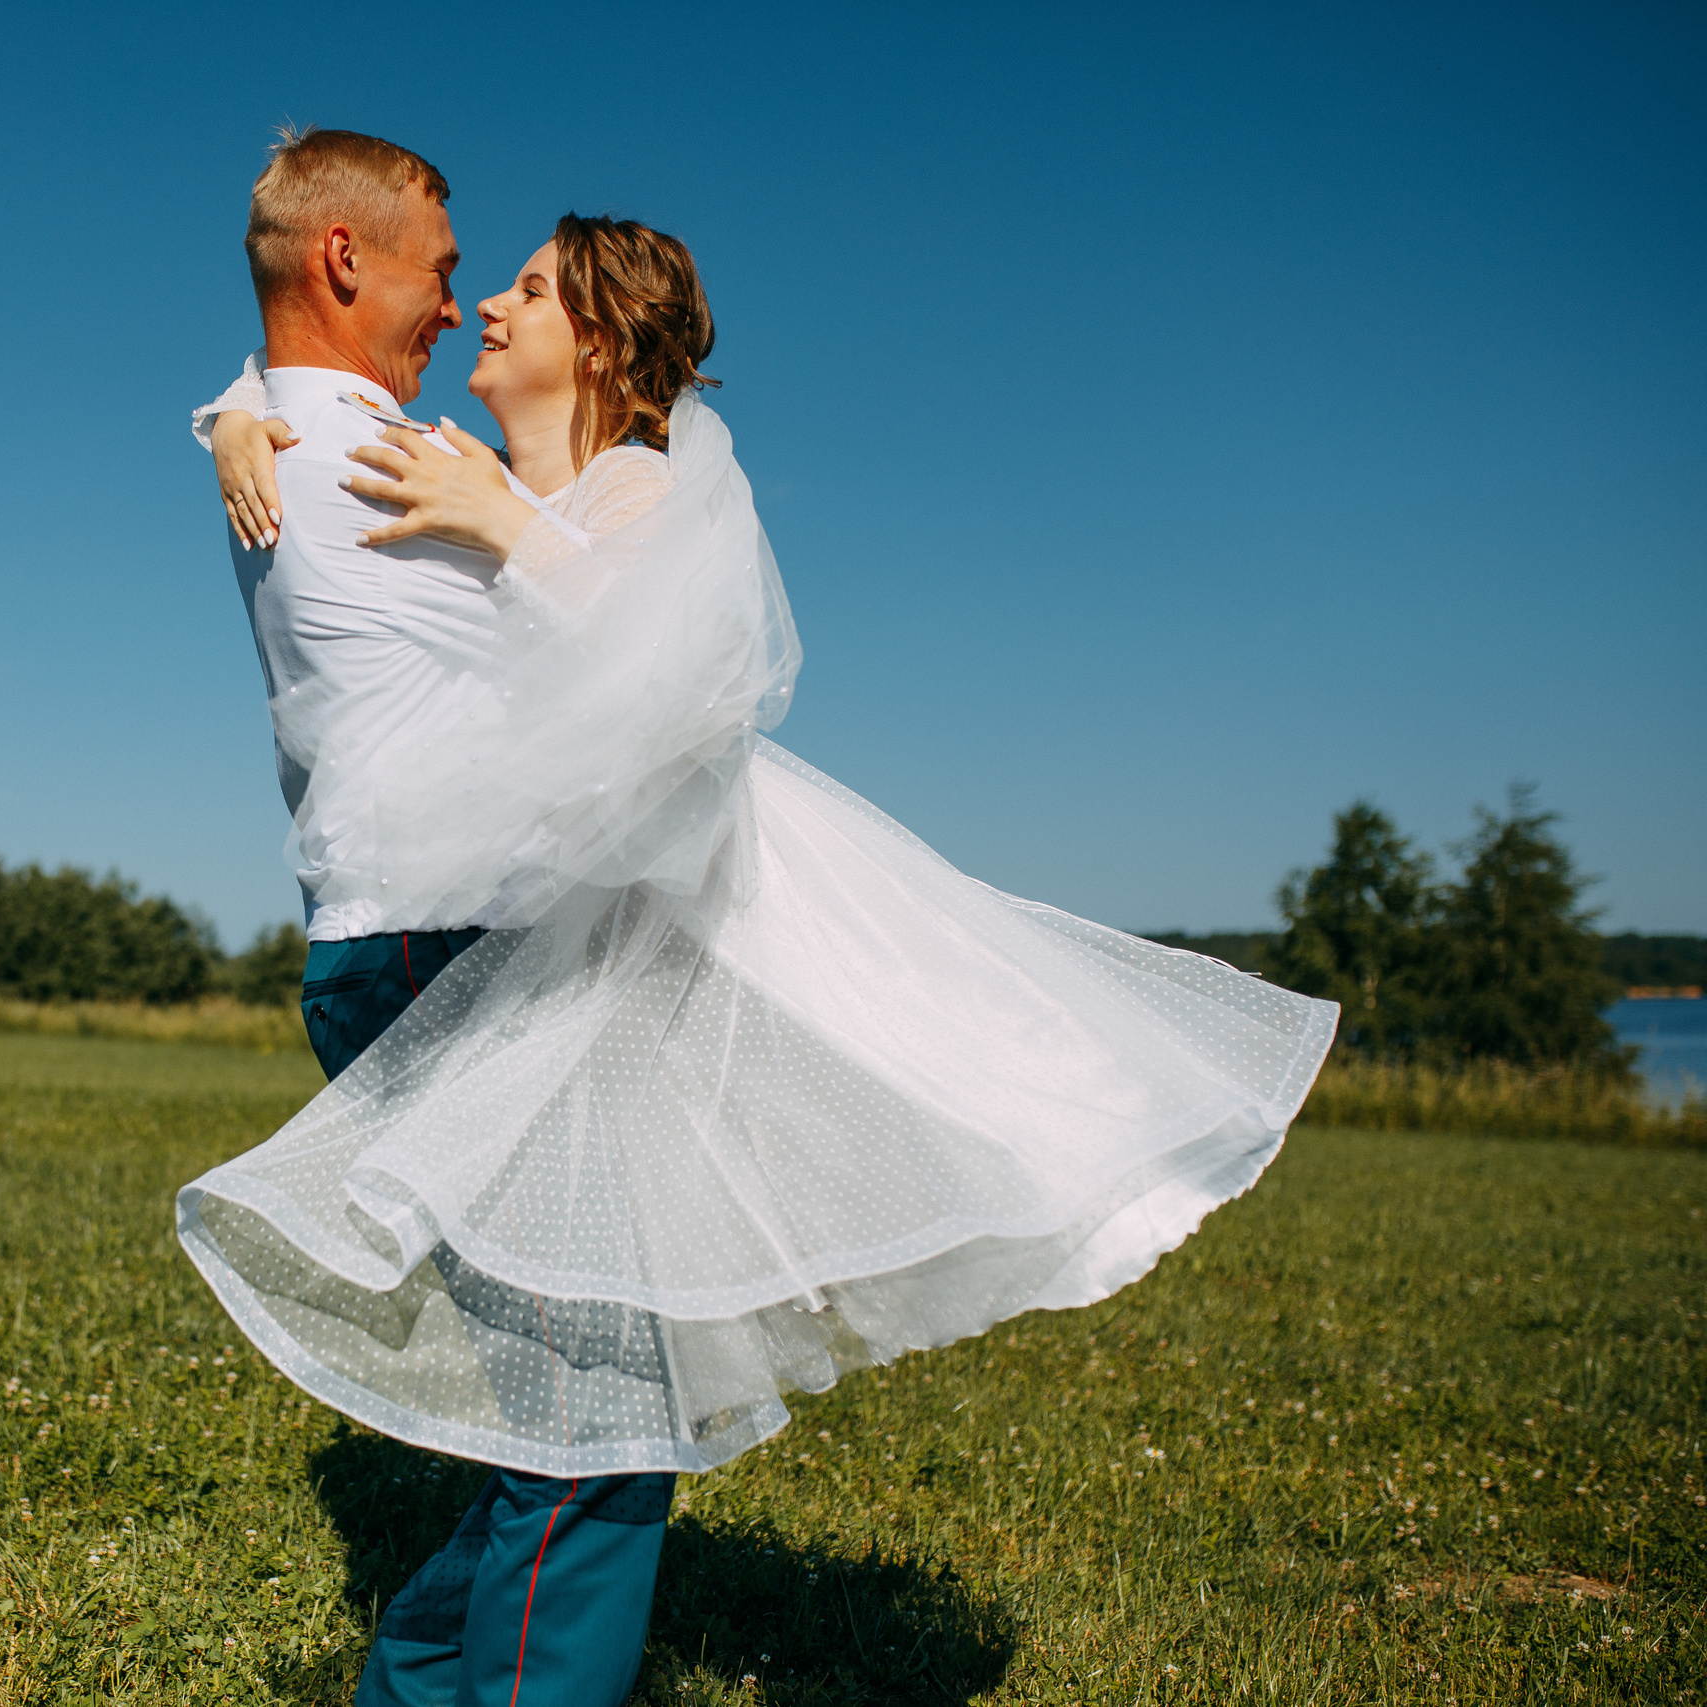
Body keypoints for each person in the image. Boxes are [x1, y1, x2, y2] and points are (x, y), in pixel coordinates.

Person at [177, 129, 1338, 1707]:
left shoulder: (534, 484)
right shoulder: (387, 463)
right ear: (340, 261)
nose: (468, 310)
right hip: (472, 960)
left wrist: (261, 421)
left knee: (581, 1390)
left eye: (513, 288)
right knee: (598, 1406)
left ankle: (417, 1675)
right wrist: (245, 418)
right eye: (463, 277)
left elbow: (682, 683)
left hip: (499, 955)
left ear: (595, 341)